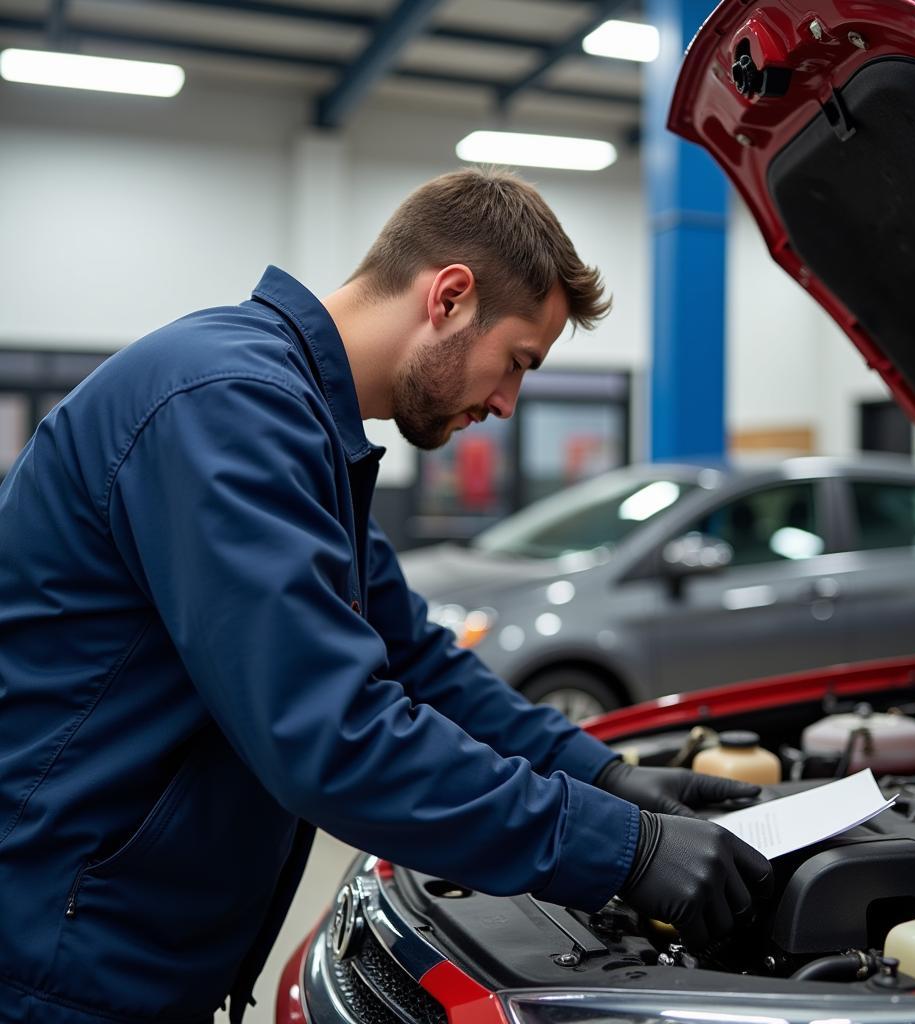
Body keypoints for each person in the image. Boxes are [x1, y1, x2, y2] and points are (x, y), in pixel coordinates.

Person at [0, 168, 771, 1024]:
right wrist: (620, 851)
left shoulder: (298, 424)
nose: (510, 404)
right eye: (517, 361)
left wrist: (613, 780)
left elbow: (418, 663)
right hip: (61, 961)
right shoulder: (229, 407)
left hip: (124, 943)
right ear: (448, 297)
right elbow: (331, 736)